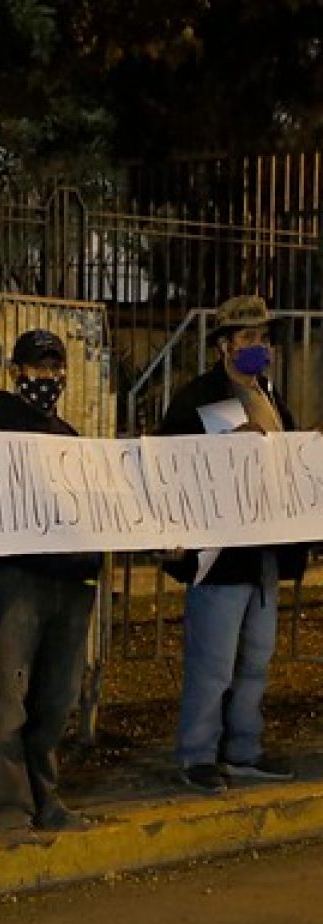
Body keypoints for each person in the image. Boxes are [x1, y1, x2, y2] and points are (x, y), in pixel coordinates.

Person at [158, 294, 306, 794]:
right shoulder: (197, 399)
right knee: (213, 663)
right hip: (219, 557)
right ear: (223, 345)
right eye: (247, 337)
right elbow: (169, 466)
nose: (258, 345)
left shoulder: (271, 399)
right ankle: (197, 755)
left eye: (263, 337)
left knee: (255, 661)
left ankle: (243, 750)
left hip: (263, 554)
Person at [0, 328, 103, 831]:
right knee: (9, 695)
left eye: (55, 367)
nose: (48, 377)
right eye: (38, 367)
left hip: (71, 582)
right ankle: (11, 806)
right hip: (19, 579)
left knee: (56, 698)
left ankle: (46, 797)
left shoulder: (69, 439)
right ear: (16, 372)